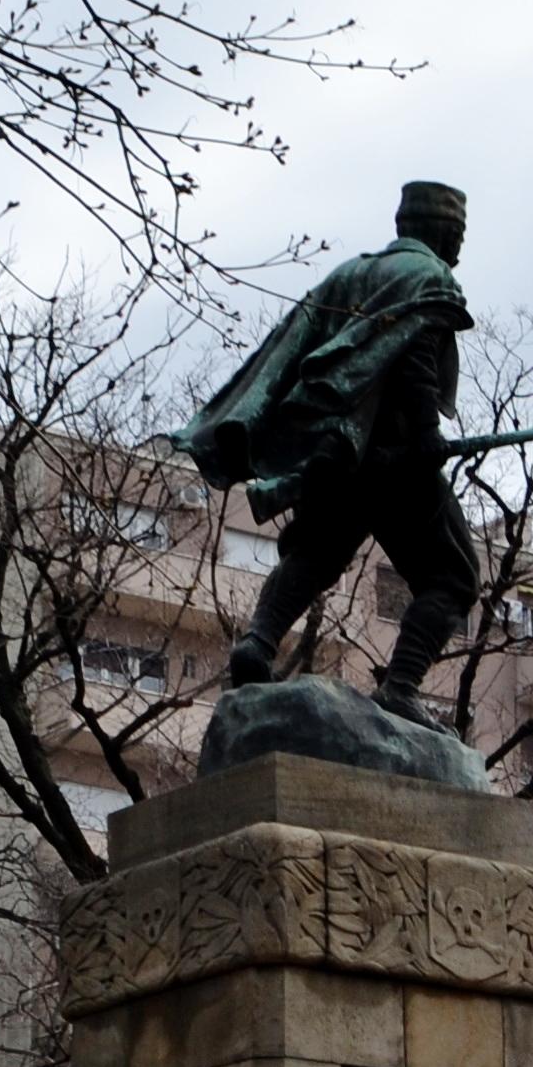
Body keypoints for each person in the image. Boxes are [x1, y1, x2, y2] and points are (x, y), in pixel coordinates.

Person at [177, 180, 485, 726]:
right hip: (391, 455)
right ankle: (402, 687)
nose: (459, 246)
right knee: (452, 575)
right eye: (457, 232)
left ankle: (258, 643)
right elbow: (413, 356)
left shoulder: (346, 274)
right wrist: (425, 435)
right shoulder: (430, 277)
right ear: (438, 229)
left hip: (332, 451)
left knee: (316, 555)